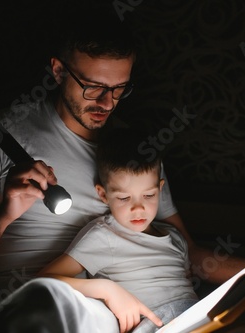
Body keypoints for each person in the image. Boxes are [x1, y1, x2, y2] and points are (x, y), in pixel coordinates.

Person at [0, 8, 245, 333]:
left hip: (90, 300)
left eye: (119, 89)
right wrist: (4, 212)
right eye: (92, 87)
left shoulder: (132, 154)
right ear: (58, 71)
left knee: (58, 306)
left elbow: (183, 250)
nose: (106, 102)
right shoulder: (4, 133)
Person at [37, 128, 199, 333]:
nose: (138, 208)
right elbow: (46, 278)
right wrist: (106, 289)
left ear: (160, 188)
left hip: (195, 313)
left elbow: (187, 284)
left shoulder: (175, 237)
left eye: (148, 195)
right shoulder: (105, 236)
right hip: (155, 323)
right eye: (124, 198)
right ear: (103, 195)